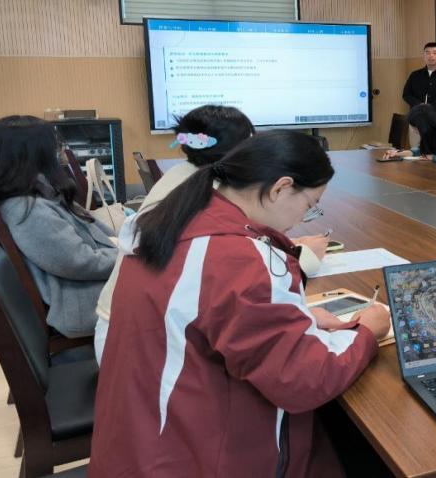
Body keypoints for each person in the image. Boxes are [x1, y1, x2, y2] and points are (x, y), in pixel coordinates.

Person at [89, 130, 391, 477]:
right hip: (191, 458)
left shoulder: (175, 220)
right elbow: (305, 380)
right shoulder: (239, 259)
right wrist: (367, 331)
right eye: (310, 206)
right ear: (280, 188)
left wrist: (295, 317)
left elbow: (205, 314)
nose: (302, 219)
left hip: (138, 446)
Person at [94, 105, 331, 363]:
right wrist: (304, 257)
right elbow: (239, 278)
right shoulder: (212, 196)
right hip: (140, 349)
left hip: (127, 328)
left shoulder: (183, 177)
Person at [0, 115, 116, 338]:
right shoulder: (28, 211)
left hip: (86, 288)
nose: (59, 154)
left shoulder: (27, 196)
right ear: (35, 155)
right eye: (55, 149)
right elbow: (80, 261)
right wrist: (130, 258)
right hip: (85, 302)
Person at [402, 42, 436, 120]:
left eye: (435, 53)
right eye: (427, 53)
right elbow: (406, 94)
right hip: (417, 117)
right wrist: (419, 105)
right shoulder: (415, 75)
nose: (431, 55)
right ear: (423, 56)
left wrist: (430, 107)